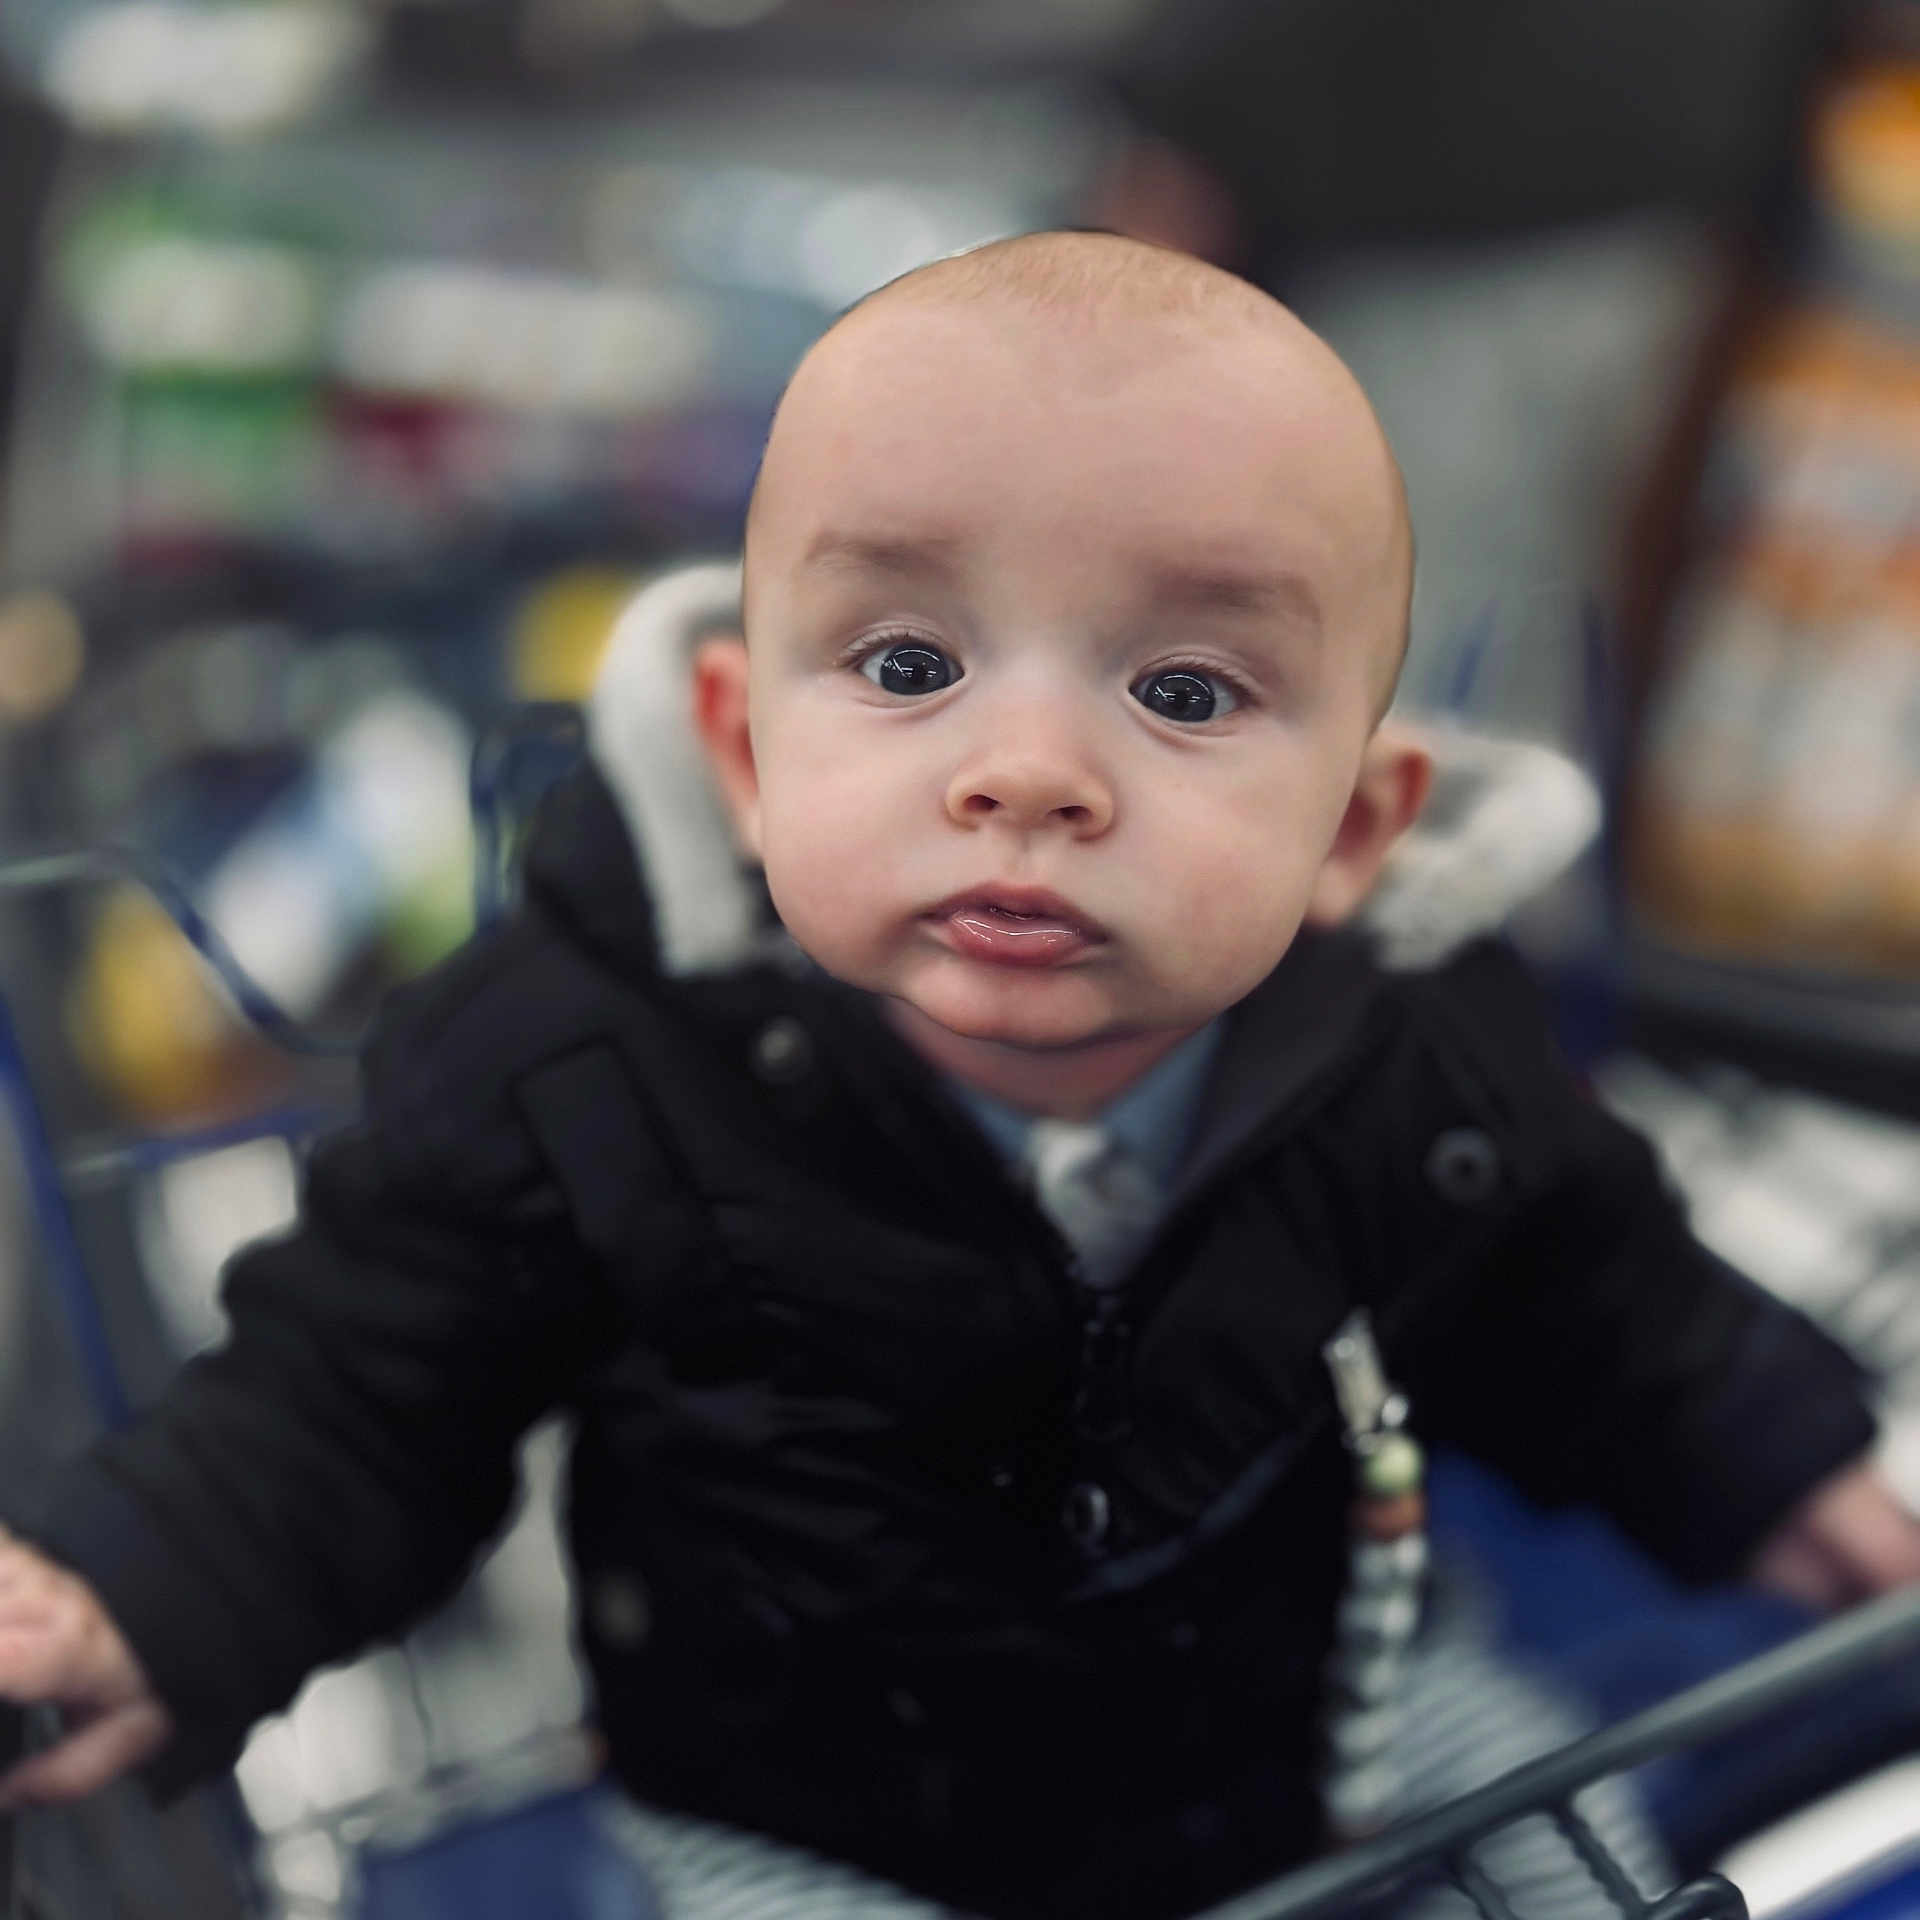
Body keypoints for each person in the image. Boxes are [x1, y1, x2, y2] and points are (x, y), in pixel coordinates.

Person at [0, 231, 1915, 1920]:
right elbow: (354, 1390)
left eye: (1181, 691)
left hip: (1321, 1721)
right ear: (745, 755)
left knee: (1593, 1861)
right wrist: (150, 1595)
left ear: (1355, 830)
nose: (1027, 773)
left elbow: (1579, 1292)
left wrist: (1779, 1456)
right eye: (910, 662)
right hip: (811, 1821)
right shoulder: (578, 1065)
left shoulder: (1409, 1051)